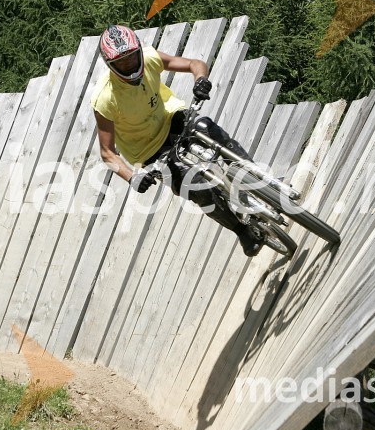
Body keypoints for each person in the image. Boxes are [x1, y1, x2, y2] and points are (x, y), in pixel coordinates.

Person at [91, 24, 263, 256]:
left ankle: (258, 177)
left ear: (140, 51)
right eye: (121, 62)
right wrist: (132, 177)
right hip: (146, 151)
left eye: (132, 57)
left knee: (206, 128)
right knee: (196, 189)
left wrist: (201, 79)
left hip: (171, 117)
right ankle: (242, 232)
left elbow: (195, 64)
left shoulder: (150, 58)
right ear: (110, 64)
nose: (129, 65)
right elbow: (107, 153)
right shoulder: (104, 98)